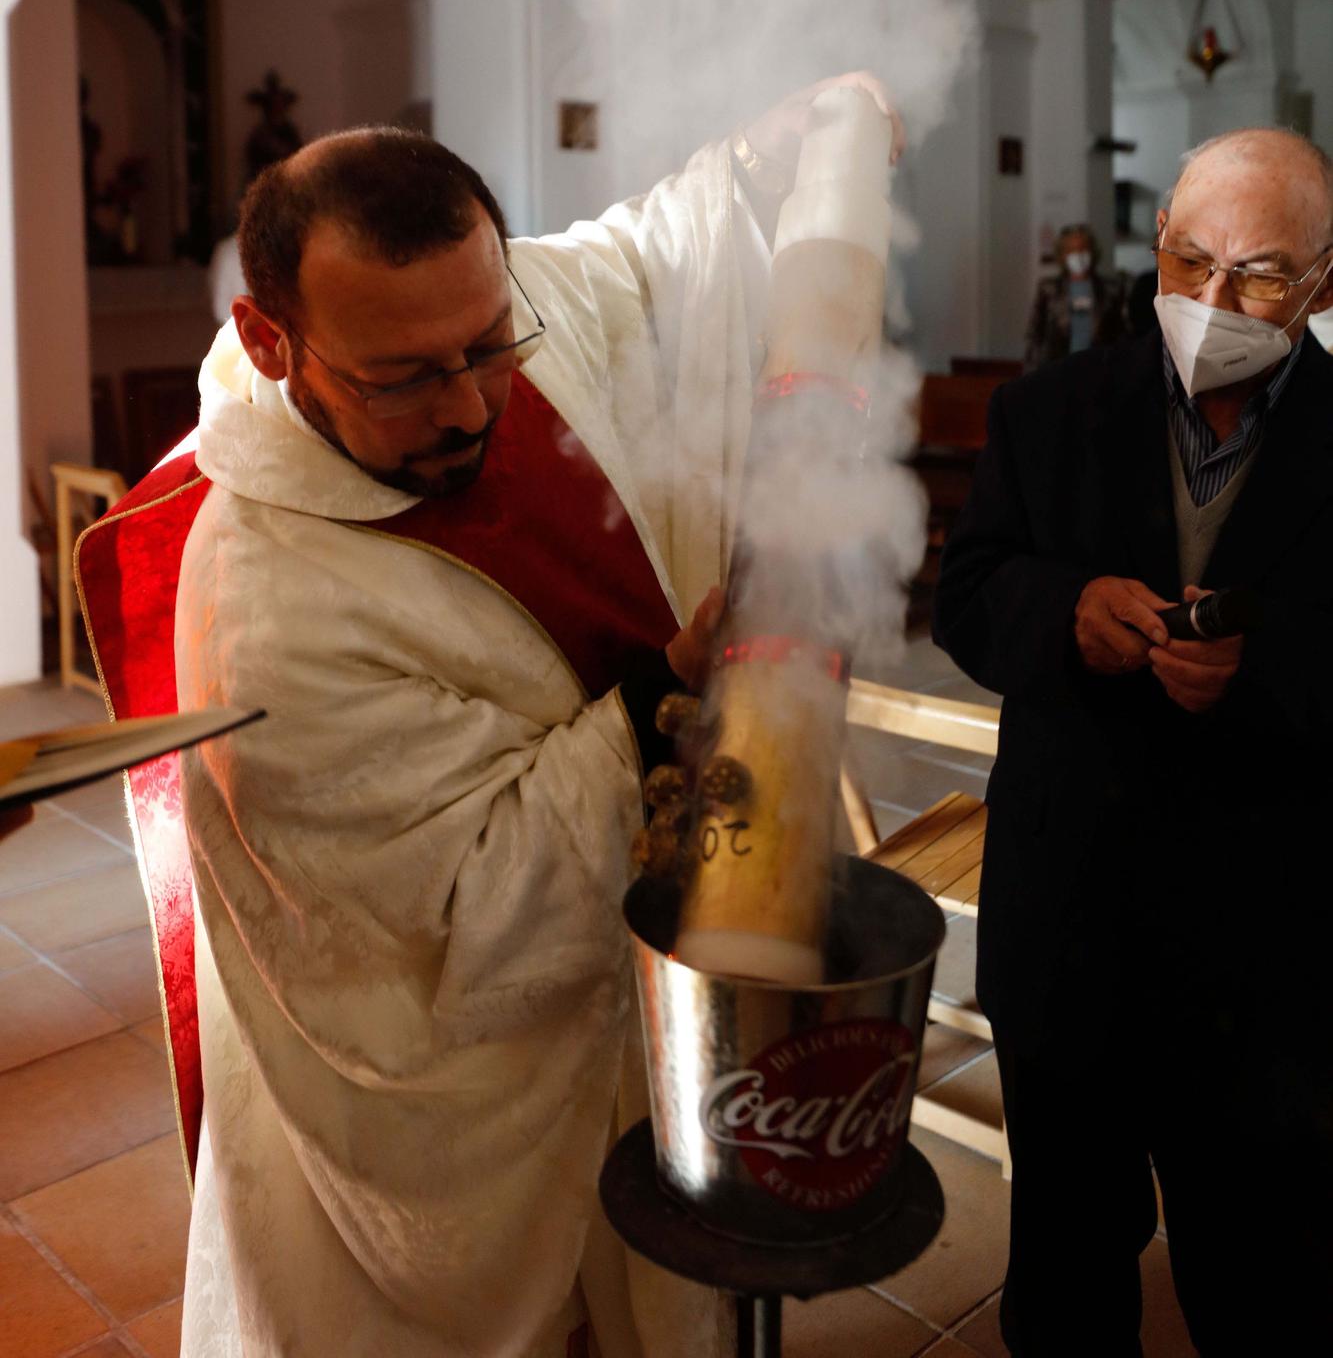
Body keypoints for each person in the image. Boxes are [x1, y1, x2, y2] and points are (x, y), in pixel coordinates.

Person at [81, 73, 894, 1358]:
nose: (467, 404)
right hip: (467, 1108)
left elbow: (638, 260)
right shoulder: (262, 608)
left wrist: (761, 160)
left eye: (486, 345)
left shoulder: (494, 307)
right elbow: (450, 920)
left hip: (636, 986)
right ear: (275, 337)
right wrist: (658, 700)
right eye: (404, 378)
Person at [934, 126, 1333, 1355]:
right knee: (1065, 1267)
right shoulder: (1047, 411)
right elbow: (970, 592)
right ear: (1152, 248)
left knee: (1261, 1270)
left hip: (1266, 949)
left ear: (1321, 280)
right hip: (1071, 920)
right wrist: (1063, 613)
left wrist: (1259, 678)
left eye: (1260, 274)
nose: (1214, 301)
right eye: (1188, 260)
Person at [1023, 222, 1127, 369]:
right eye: (1072, 250)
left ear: (1092, 251)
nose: (1078, 254)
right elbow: (1035, 335)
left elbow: (1121, 335)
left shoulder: (1111, 289)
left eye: (1083, 248)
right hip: (1057, 369)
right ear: (1063, 255)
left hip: (1099, 368)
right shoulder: (1049, 289)